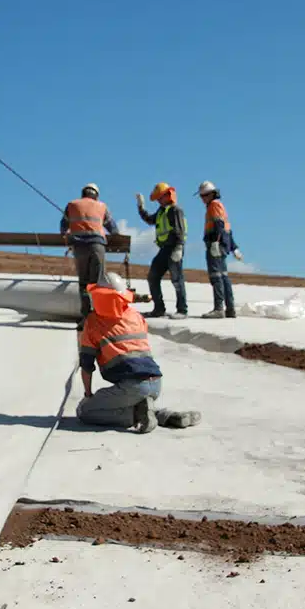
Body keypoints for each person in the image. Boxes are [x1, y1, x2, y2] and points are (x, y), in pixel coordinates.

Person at [76, 272, 201, 432]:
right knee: (131, 398)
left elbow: (86, 365)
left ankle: (136, 415)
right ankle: (166, 416)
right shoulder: (135, 316)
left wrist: (88, 395)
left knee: (85, 411)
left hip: (132, 386)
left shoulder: (93, 322)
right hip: (155, 383)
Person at [60, 182, 118, 319]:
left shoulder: (72, 205)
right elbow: (113, 228)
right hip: (97, 246)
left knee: (84, 283)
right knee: (97, 282)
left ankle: (86, 317)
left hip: (79, 248)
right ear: (96, 195)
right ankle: (98, 315)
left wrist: (66, 233)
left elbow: (63, 226)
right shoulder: (101, 206)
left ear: (83, 193)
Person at [135, 181, 188, 319]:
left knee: (177, 279)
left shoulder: (175, 210)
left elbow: (180, 230)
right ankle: (159, 309)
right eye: (157, 198)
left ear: (168, 195)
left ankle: (182, 310)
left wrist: (179, 247)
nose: (159, 200)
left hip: (174, 248)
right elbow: (149, 219)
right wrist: (141, 208)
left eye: (160, 197)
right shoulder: (161, 212)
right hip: (164, 249)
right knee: (153, 276)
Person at [196, 180, 242, 318]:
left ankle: (219, 309)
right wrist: (234, 248)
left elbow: (219, 225)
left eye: (204, 196)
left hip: (215, 245)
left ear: (211, 194)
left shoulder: (214, 206)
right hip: (222, 244)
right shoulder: (219, 206)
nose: (202, 199)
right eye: (201, 196)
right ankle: (230, 309)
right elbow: (227, 229)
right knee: (223, 276)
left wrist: (215, 242)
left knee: (216, 276)